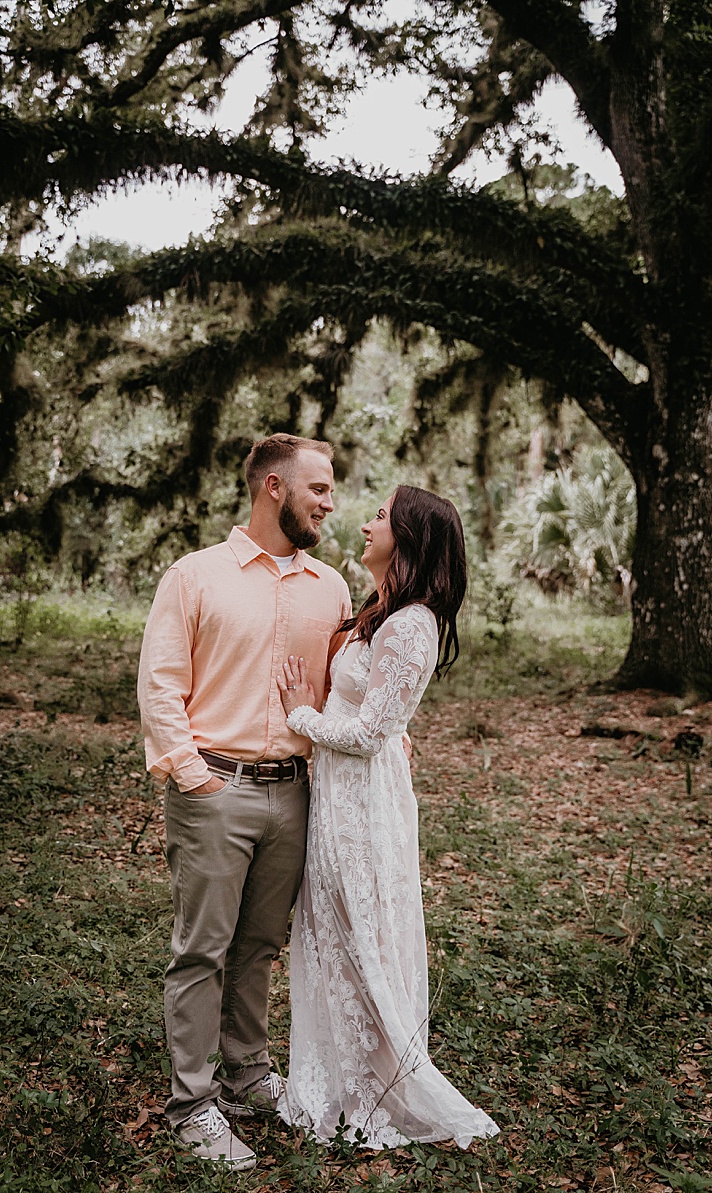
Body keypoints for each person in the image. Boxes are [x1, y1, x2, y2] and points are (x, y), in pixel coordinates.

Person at [136, 433, 353, 1172]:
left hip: (295, 793)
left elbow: (341, 690)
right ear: (272, 488)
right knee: (201, 948)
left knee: (260, 946)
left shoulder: (332, 587)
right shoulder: (195, 576)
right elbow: (161, 681)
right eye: (318, 488)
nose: (330, 502)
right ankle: (192, 1104)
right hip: (214, 789)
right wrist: (194, 775)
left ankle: (248, 1076)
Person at [275, 485, 499, 1149]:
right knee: (333, 931)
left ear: (409, 538)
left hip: (363, 803)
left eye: (380, 516)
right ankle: (338, 1074)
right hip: (340, 794)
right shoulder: (382, 610)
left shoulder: (411, 623)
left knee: (359, 932)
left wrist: (299, 715)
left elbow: (372, 731)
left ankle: (372, 1086)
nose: (367, 523)